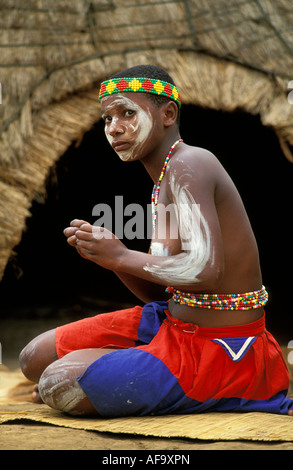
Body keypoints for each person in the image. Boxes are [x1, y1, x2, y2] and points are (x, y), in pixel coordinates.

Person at [19, 65, 293, 417]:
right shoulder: (163, 180)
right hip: (172, 324)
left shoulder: (190, 164)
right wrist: (108, 258)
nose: (114, 128)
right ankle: (116, 374)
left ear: (168, 114)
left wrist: (120, 255)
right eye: (107, 118)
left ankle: (224, 387)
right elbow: (164, 291)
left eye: (127, 113)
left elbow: (204, 272)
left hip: (221, 350)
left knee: (59, 381)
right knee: (33, 360)